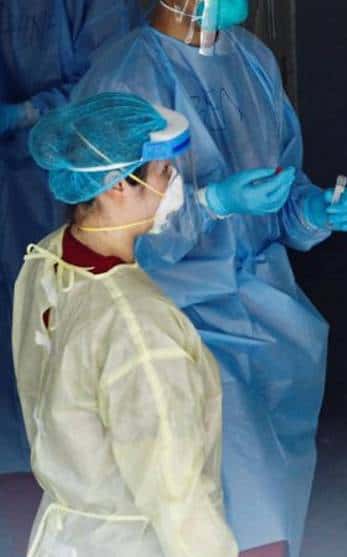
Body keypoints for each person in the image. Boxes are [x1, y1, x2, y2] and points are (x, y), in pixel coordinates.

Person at [71, 2, 347, 555]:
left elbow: (280, 184)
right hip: (176, 321)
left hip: (270, 315)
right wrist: (211, 203)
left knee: (274, 499)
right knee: (223, 509)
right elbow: (111, 226)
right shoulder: (127, 74)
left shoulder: (251, 59)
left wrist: (312, 211)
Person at [14, 92, 237, 557]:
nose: (174, 182)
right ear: (117, 185)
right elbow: (173, 489)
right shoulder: (139, 326)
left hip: (67, 537)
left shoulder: (47, 259)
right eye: (162, 172)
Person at [0, 0, 136, 475]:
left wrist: (26, 113)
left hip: (61, 176)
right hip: (16, 184)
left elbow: (107, 87)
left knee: (63, 322)